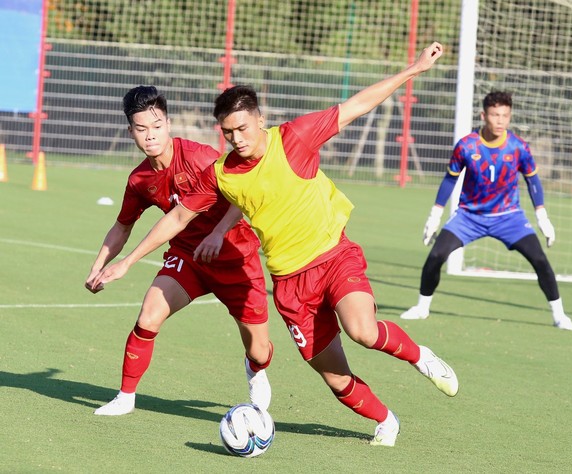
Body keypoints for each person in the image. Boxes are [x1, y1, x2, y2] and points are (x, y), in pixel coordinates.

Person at [91, 42, 458, 448]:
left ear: (259, 120)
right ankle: (386, 421)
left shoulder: (295, 137)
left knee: (363, 331)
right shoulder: (222, 173)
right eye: (228, 133)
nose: (237, 139)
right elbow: (179, 217)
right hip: (289, 283)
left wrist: (413, 70)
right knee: (335, 377)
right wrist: (126, 262)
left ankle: (419, 356)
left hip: (333, 256)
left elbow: (357, 105)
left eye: (243, 129)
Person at [85, 85, 273, 416]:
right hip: (189, 256)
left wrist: (217, 233)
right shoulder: (139, 180)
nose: (150, 136)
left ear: (168, 124)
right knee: (149, 315)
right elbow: (122, 227)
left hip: (234, 255)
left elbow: (242, 195)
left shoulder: (201, 157)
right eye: (141, 129)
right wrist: (100, 265)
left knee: (259, 351)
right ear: (131, 131)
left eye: (156, 127)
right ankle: (125, 397)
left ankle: (255, 370)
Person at [400, 91, 572, 331]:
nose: (500, 120)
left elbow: (533, 181)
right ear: (484, 115)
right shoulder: (466, 145)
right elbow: (450, 180)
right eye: (495, 115)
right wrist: (435, 214)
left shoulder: (518, 147)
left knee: (539, 260)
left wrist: (542, 216)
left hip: (509, 217)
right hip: (469, 217)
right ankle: (422, 307)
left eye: (505, 115)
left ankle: (559, 315)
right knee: (436, 256)